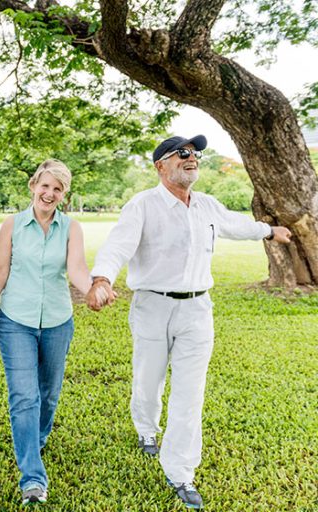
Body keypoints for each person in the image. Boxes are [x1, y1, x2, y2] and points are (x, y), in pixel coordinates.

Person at [86, 135, 292, 509]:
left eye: (195, 153)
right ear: (160, 166)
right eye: (182, 153)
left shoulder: (207, 205)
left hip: (198, 310)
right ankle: (147, 431)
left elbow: (235, 224)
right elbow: (118, 245)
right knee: (148, 381)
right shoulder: (143, 205)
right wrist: (101, 280)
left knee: (189, 392)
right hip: (152, 306)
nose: (191, 158)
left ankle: (180, 471)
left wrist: (269, 230)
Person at [0, 159, 94, 506]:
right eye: (45, 185)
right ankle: (32, 477)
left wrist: (92, 288)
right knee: (24, 396)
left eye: (58, 189)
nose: (50, 193)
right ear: (33, 186)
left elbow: (76, 270)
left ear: (64, 195)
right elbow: (0, 270)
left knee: (48, 394)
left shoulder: (71, 227)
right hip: (15, 319)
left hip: (57, 321)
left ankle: (36, 436)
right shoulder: (12, 224)